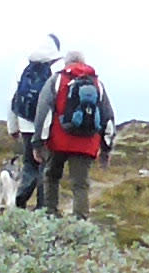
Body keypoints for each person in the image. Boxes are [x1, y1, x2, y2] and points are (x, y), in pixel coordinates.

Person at [34, 46, 112, 219]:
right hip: (87, 143)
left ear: (66, 63)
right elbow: (108, 116)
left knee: (52, 176)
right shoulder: (97, 84)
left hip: (58, 140)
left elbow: (43, 111)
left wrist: (38, 141)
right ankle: (80, 220)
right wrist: (106, 147)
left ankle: (51, 214)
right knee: (80, 184)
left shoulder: (57, 80)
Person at [4, 33, 60, 211]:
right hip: (49, 126)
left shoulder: (23, 67)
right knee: (46, 166)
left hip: (26, 124)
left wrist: (13, 127)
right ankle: (42, 207)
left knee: (29, 165)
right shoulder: (58, 68)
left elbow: (12, 99)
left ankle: (18, 200)